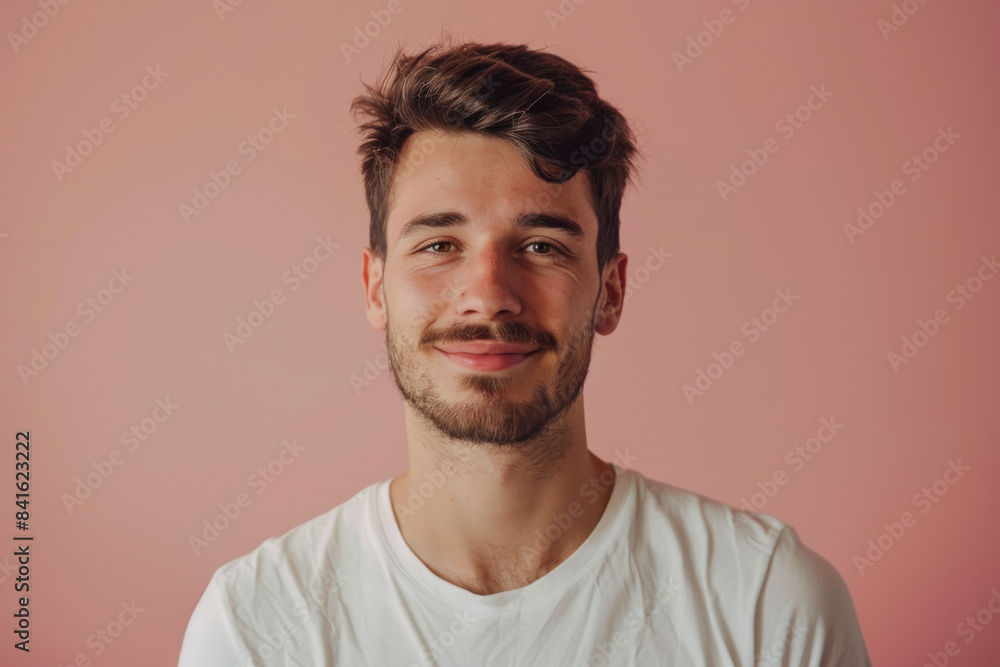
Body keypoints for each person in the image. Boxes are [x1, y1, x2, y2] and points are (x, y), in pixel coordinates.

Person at [179, 35, 872, 666]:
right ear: (374, 288)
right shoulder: (256, 624)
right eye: (439, 244)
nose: (488, 296)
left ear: (610, 291)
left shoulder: (765, 603)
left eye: (540, 246)